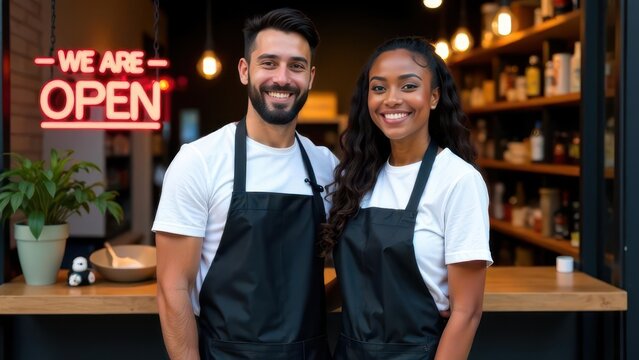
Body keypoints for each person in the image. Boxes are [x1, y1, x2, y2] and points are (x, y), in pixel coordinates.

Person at [153, 8, 337, 360]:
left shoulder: (327, 166)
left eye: (296, 66)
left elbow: (362, 263)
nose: (282, 78)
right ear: (244, 70)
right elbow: (172, 288)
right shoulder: (199, 161)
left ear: (310, 77)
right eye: (268, 63)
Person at [321, 37, 493, 359]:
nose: (392, 99)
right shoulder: (357, 178)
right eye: (379, 88)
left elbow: (467, 313)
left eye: (408, 86)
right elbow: (358, 280)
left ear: (433, 97)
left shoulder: (457, 180)